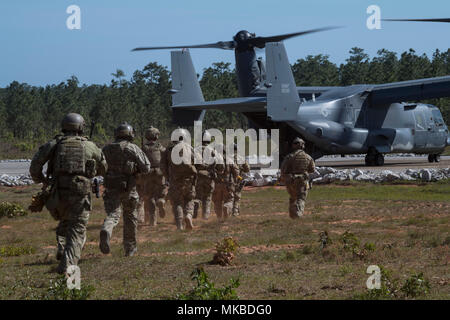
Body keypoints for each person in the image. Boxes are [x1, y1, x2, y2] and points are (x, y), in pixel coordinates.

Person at [29, 113, 107, 273]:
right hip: (80, 192)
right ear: (80, 127)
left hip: (57, 192)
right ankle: (68, 266)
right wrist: (92, 170)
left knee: (65, 221)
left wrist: (42, 180)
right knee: (77, 229)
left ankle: (63, 247)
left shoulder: (54, 144)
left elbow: (35, 166)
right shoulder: (89, 145)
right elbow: (104, 168)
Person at [100, 122, 150, 256]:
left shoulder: (106, 149)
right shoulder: (132, 148)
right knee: (130, 217)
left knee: (113, 215)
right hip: (129, 189)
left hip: (111, 188)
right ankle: (130, 249)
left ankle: (107, 229)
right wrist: (134, 168)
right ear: (130, 134)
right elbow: (146, 167)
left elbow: (99, 168)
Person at [164, 128, 198, 230]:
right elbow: (196, 161)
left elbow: (163, 166)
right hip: (188, 179)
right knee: (189, 199)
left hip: (175, 179)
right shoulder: (189, 147)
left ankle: (179, 225)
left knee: (177, 202)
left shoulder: (168, 150)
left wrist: (168, 177)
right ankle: (188, 215)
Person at [138, 126, 168, 226]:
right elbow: (166, 156)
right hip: (159, 172)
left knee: (149, 196)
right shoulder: (160, 147)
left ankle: (152, 221)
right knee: (163, 189)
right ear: (156, 136)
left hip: (148, 173)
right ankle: (161, 200)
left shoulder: (144, 148)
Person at [280, 137, 315, 219]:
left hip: (291, 181)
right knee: (301, 198)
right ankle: (297, 215)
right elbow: (312, 169)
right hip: (302, 181)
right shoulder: (308, 157)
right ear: (303, 146)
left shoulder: (289, 157)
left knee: (293, 197)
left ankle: (292, 215)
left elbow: (283, 169)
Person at [193, 130, 217, 220]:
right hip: (209, 176)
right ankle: (205, 217)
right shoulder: (212, 150)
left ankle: (196, 205)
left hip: (198, 175)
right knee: (207, 197)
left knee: (197, 195)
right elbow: (217, 163)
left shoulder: (195, 149)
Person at [212, 144, 239, 221]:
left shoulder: (212, 160)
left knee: (217, 202)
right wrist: (235, 180)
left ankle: (219, 218)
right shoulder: (229, 159)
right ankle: (227, 207)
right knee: (229, 200)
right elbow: (236, 171)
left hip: (216, 184)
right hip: (228, 184)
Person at [232, 143, 250, 216]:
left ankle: (229, 211)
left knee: (228, 197)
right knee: (237, 196)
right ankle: (235, 212)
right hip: (237, 179)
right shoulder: (240, 158)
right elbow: (247, 169)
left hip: (226, 180)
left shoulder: (226, 157)